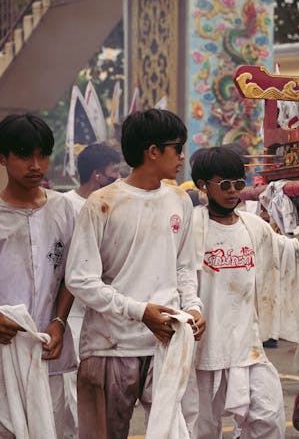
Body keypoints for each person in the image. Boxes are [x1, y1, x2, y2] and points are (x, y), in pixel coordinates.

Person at [65, 109, 207, 439]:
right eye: (177, 147)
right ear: (152, 151)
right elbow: (80, 279)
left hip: (166, 343)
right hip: (109, 347)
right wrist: (139, 311)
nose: (182, 156)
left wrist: (194, 307)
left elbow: (184, 265)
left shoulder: (179, 200)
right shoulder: (102, 203)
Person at [190, 146, 299, 438]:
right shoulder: (191, 227)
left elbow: (288, 252)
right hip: (203, 350)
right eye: (224, 184)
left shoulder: (255, 227)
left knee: (268, 418)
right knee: (202, 428)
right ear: (203, 185)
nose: (232, 192)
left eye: (238, 184)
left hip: (247, 345)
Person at [0, 113, 78, 439]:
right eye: (24, 154)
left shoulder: (63, 210)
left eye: (43, 154)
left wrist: (59, 322)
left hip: (48, 349)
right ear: (2, 157)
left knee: (52, 429)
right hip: (3, 350)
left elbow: (72, 274)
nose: (36, 165)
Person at [60, 142, 122, 438]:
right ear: (97, 175)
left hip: (104, 311)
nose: (118, 178)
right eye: (114, 173)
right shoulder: (65, 206)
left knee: (97, 392)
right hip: (70, 312)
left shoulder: (113, 203)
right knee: (71, 390)